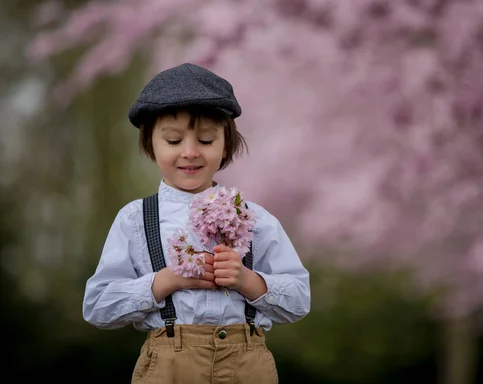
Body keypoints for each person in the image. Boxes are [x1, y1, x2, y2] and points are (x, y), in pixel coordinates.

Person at [82, 63, 311, 384]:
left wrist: (247, 280)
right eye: (173, 141)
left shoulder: (255, 217)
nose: (190, 153)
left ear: (225, 144)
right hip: (169, 366)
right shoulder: (135, 218)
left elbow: (299, 301)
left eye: (205, 140)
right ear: (151, 144)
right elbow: (98, 308)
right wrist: (166, 280)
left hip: (247, 365)